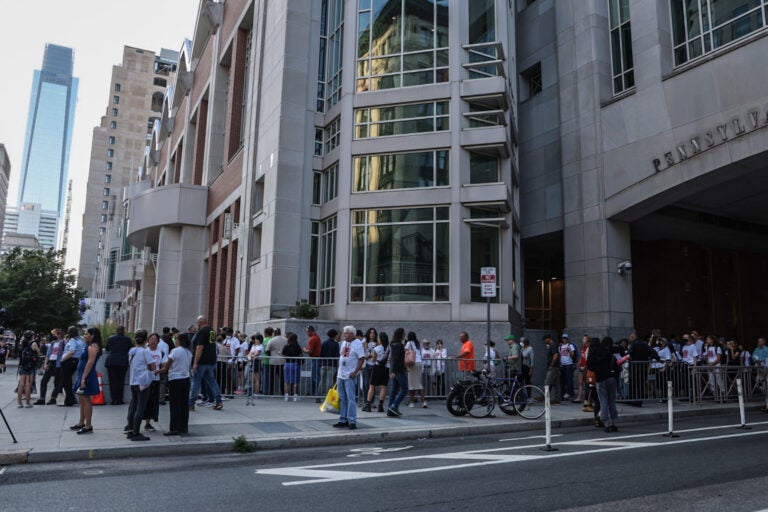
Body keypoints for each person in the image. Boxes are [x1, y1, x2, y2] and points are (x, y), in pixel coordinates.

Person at [70, 327, 102, 434]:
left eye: (86, 334)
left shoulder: (93, 346)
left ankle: (88, 425)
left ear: (92, 335)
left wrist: (84, 378)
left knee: (86, 400)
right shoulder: (88, 346)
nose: (84, 335)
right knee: (82, 400)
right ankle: (81, 422)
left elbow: (90, 362)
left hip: (87, 375)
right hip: (83, 374)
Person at [332, 325, 365, 430]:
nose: (344, 335)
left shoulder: (358, 344)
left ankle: (352, 420)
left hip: (349, 375)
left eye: (346, 333)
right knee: (342, 398)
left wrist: (355, 372)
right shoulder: (344, 343)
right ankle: (343, 419)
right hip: (341, 374)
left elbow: (361, 358)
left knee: (350, 398)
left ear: (352, 334)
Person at [587, 336, 622, 433]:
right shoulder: (609, 353)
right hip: (611, 378)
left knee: (603, 401)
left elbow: (591, 367)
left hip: (600, 379)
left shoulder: (594, 354)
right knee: (612, 401)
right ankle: (613, 422)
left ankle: (606, 423)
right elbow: (617, 366)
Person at [188, 316, 223, 411]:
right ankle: (218, 400)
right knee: (212, 381)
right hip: (211, 361)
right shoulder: (212, 331)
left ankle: (191, 403)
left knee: (196, 382)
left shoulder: (202, 332)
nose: (197, 325)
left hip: (202, 361)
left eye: (198, 323)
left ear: (200, 322)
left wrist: (195, 362)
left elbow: (200, 347)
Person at [160, 332, 192, 435]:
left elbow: (167, 366)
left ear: (178, 340)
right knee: (183, 404)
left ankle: (174, 428)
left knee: (174, 404)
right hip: (186, 378)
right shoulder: (189, 352)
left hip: (175, 379)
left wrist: (160, 368)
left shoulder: (175, 351)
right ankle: (183, 427)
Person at [125, 330, 155, 441]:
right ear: (146, 340)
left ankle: (130, 430)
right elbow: (153, 366)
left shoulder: (132, 351)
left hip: (133, 381)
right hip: (142, 382)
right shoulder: (145, 352)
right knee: (140, 407)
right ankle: (136, 432)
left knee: (133, 406)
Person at [144, 333, 166, 432]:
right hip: (144, 380)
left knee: (152, 402)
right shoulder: (144, 351)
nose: (153, 341)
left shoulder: (161, 353)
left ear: (158, 341)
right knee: (141, 402)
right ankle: (131, 423)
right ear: (148, 341)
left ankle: (148, 423)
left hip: (155, 380)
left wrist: (159, 371)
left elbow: (164, 366)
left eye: (155, 339)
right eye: (151, 339)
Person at [105, 325, 131, 405]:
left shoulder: (110, 338)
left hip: (111, 361)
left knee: (112, 381)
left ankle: (113, 399)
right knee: (121, 381)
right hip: (122, 362)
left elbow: (107, 349)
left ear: (116, 331)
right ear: (123, 331)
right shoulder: (127, 339)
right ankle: (119, 399)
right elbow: (129, 349)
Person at [36, 330, 64, 405]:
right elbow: (48, 354)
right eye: (54, 334)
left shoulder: (63, 343)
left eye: (57, 334)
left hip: (58, 364)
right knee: (44, 381)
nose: (55, 335)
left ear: (60, 335)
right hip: (51, 363)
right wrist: (45, 364)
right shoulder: (52, 343)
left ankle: (53, 398)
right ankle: (42, 398)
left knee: (57, 382)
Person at [60, 326, 85, 407]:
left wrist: (63, 359)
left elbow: (71, 351)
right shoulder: (80, 340)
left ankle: (70, 400)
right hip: (75, 361)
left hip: (68, 361)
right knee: (67, 381)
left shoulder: (72, 340)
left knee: (65, 381)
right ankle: (70, 399)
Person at [364, 332, 389, 412]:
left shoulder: (377, 348)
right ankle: (380, 405)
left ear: (380, 339)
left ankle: (368, 405)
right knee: (383, 387)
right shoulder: (389, 348)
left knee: (372, 386)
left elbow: (373, 360)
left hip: (377, 368)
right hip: (386, 368)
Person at [387, 327, 408, 417]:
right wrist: (394, 371)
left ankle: (390, 408)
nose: (404, 335)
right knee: (404, 388)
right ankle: (394, 406)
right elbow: (395, 359)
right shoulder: (398, 345)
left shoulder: (394, 344)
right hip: (398, 370)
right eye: (403, 334)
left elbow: (395, 359)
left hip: (397, 369)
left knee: (394, 389)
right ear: (400, 335)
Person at [405, 331, 426, 408]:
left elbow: (406, 353)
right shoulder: (418, 344)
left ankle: (412, 402)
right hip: (419, 363)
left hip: (412, 363)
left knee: (411, 384)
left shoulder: (408, 343)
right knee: (418, 382)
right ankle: (423, 401)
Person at [266, 328, 287, 397]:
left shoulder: (271, 340)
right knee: (282, 378)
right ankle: (283, 392)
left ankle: (271, 392)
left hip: (273, 361)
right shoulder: (285, 340)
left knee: (271, 378)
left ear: (274, 333)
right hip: (282, 361)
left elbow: (267, 350)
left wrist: (270, 356)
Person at [16, 338, 38, 408]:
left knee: (21, 384)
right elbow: (38, 353)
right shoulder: (33, 345)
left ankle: (19, 403)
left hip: (22, 367)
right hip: (30, 368)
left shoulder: (22, 346)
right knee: (28, 385)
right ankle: (27, 403)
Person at [282, 332, 303, 401]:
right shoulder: (297, 346)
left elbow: (283, 355)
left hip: (287, 364)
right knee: (295, 381)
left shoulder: (286, 346)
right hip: (295, 364)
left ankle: (286, 396)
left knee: (286, 381)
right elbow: (300, 355)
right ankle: (295, 396)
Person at [320, 329, 340, 399]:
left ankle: (318, 396)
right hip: (332, 364)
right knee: (329, 381)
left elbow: (321, 354)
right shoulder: (335, 344)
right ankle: (327, 396)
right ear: (334, 335)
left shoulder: (324, 343)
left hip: (324, 363)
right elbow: (337, 355)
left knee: (322, 380)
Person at [303, 325, 322, 395]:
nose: (307, 333)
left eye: (307, 332)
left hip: (315, 359)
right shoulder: (316, 337)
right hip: (316, 358)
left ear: (310, 331)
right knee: (316, 376)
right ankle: (316, 392)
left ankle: (317, 393)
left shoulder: (313, 339)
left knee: (315, 376)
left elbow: (310, 351)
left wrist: (304, 349)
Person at [558, 334, 577, 400]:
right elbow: (560, 355)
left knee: (569, 379)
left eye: (565, 338)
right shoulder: (560, 346)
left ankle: (569, 393)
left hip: (569, 364)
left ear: (567, 339)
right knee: (563, 380)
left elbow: (573, 355)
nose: (564, 339)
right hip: (563, 364)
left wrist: (569, 350)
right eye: (563, 338)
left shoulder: (570, 345)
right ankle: (564, 393)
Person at [543, 334, 561, 403]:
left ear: (548, 339)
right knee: (556, 383)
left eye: (545, 340)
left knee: (547, 382)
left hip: (553, 366)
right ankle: (557, 398)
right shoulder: (551, 345)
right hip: (555, 366)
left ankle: (545, 396)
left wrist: (552, 364)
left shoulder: (553, 345)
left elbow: (555, 355)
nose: (544, 341)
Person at [361, 328, 378, 401]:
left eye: (374, 332)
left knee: (373, 384)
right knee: (366, 383)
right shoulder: (364, 341)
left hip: (374, 364)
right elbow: (360, 352)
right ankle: (366, 400)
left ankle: (371, 400)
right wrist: (365, 356)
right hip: (366, 364)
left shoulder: (377, 342)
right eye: (371, 332)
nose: (372, 334)